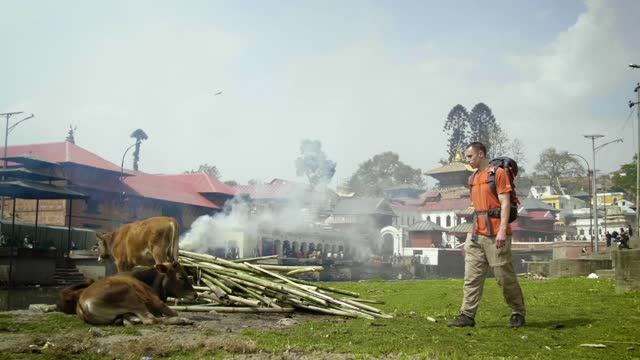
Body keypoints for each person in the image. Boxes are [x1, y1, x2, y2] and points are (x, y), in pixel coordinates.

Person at [448, 142, 526, 328]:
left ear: (481, 154)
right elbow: (477, 208)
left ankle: (518, 312)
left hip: (496, 233)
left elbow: (505, 203)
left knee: (504, 277)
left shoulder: (497, 174)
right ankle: (467, 315)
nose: (468, 160)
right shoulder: (472, 178)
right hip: (476, 233)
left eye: (470, 157)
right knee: (471, 277)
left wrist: (502, 231)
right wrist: (470, 235)